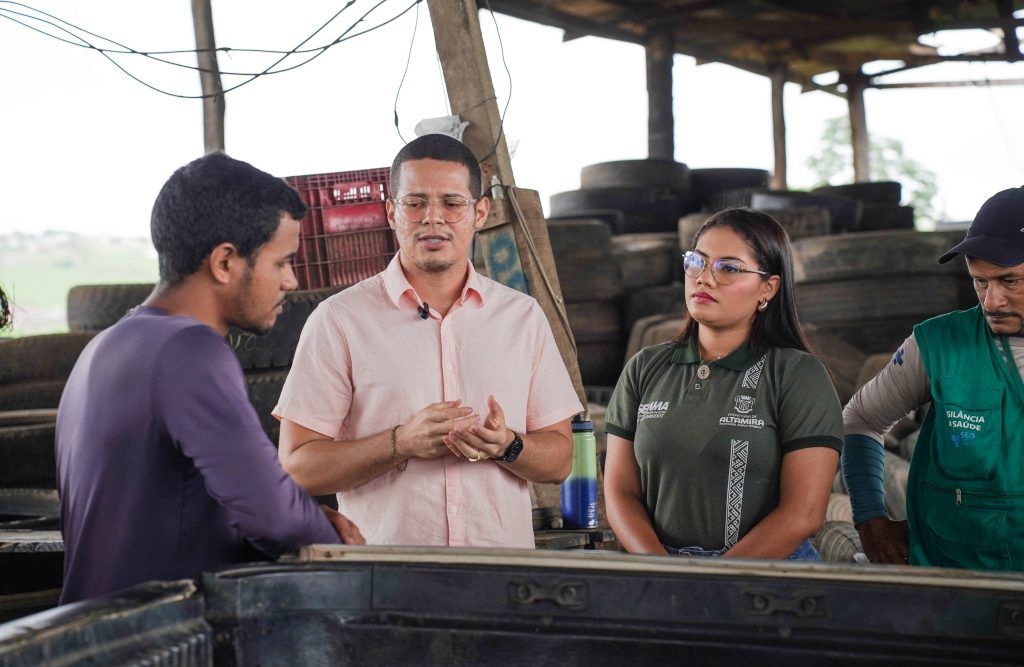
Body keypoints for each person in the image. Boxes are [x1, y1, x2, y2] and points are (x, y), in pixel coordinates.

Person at [56, 153, 364, 604]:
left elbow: (166, 513)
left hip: (97, 632)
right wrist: (334, 542)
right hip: (159, 634)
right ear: (224, 262)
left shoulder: (106, 345)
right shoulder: (189, 351)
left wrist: (306, 517)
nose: (292, 282)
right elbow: (274, 517)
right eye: (281, 263)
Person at [275, 133, 582, 547]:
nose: (432, 218)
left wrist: (507, 445)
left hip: (499, 571)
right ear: (391, 212)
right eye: (415, 203)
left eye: (452, 204)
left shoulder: (522, 317)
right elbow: (297, 467)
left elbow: (560, 461)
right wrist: (401, 442)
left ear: (480, 212)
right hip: (389, 574)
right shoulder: (339, 320)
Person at [604, 208, 842, 559]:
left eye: (728, 268)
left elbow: (802, 514)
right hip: (657, 569)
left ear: (767, 288)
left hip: (766, 575)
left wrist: (714, 580)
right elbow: (620, 492)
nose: (704, 278)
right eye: (696, 262)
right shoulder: (645, 367)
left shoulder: (798, 375)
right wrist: (660, 570)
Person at [842, 186, 1024, 570]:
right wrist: (870, 521)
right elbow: (860, 419)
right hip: (950, 579)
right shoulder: (937, 345)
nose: (991, 301)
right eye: (980, 281)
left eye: (1009, 281)